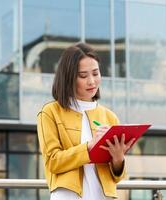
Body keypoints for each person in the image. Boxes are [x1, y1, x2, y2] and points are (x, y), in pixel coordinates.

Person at [37, 42, 135, 200]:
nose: (92, 81)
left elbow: (117, 177)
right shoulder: (50, 112)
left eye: (96, 73)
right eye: (83, 76)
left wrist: (118, 159)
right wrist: (89, 147)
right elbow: (52, 162)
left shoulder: (110, 117)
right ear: (69, 78)